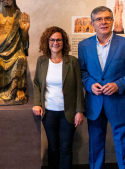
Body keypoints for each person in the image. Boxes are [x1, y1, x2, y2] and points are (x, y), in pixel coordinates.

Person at [78, 6, 125, 169]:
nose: (103, 22)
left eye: (107, 18)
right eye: (99, 19)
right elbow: (82, 72)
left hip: (120, 103)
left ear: (113, 21)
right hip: (95, 104)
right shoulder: (84, 46)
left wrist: (118, 85)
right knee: (95, 149)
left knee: (124, 149)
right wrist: (90, 84)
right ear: (92, 23)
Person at [32, 26, 85, 169]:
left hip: (68, 113)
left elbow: (79, 88)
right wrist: (37, 103)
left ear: (64, 42)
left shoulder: (72, 62)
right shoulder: (42, 61)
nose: (55, 43)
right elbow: (37, 83)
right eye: (52, 40)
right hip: (48, 112)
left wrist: (80, 111)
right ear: (47, 42)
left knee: (66, 148)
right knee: (53, 147)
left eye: (59, 40)